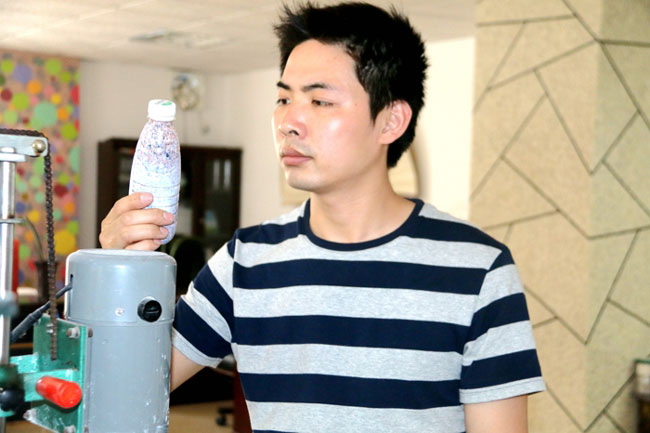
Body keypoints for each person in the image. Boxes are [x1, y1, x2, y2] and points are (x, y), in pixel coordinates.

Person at [99, 2, 545, 432]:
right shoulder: (245, 262)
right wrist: (115, 273)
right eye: (283, 98)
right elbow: (124, 391)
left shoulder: (478, 270)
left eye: (319, 101)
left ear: (391, 121)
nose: (288, 122)